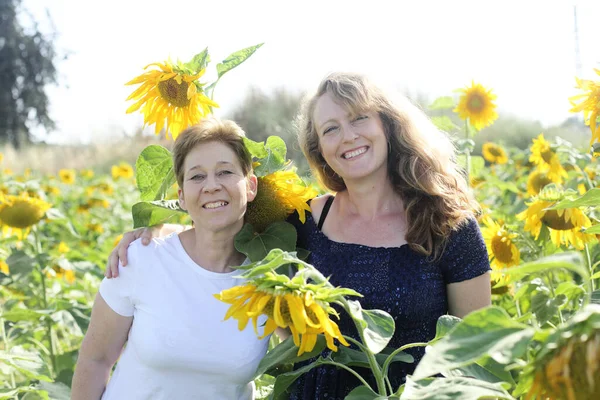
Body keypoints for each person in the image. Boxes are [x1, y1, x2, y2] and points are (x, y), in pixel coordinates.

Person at [107, 72, 491, 399]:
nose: (348, 137)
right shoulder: (304, 222)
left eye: (359, 119)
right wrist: (158, 231)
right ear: (320, 149)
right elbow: (222, 232)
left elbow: (474, 349)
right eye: (330, 129)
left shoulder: (447, 224)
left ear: (387, 125)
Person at [72, 118, 269, 400]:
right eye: (197, 176)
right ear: (182, 197)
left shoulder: (271, 281)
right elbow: (95, 360)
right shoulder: (141, 258)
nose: (211, 186)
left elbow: (305, 354)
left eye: (225, 172)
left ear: (250, 186)